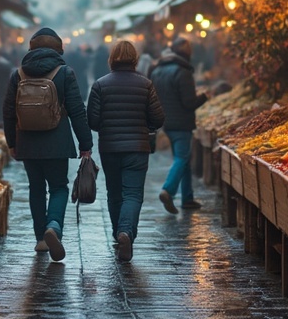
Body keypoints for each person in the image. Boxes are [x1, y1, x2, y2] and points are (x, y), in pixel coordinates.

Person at [3, 28, 93, 261]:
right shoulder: (65, 72)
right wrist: (86, 143)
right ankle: (54, 226)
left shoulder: (18, 74)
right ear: (58, 50)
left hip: (27, 141)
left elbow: (9, 112)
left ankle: (41, 239)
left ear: (31, 49)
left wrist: (12, 143)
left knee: (36, 188)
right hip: (57, 141)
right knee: (58, 187)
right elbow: (76, 110)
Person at [87, 40, 166, 262]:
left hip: (110, 147)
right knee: (132, 193)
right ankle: (126, 233)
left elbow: (92, 121)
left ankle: (118, 233)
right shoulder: (146, 85)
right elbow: (158, 118)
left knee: (114, 193)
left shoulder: (100, 85)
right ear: (135, 59)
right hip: (137, 148)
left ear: (112, 59)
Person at [150, 36, 208, 213]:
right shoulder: (183, 72)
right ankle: (168, 190)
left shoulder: (157, 70)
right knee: (182, 158)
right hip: (182, 123)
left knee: (184, 160)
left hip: (166, 121)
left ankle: (187, 197)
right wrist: (205, 96)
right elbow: (189, 102)